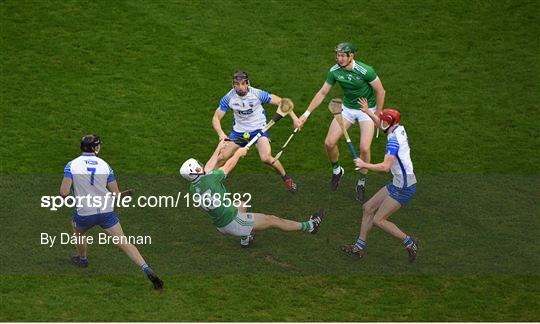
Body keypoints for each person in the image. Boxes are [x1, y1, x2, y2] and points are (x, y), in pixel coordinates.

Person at [60, 135, 164, 290]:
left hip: (84, 212)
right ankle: (146, 268)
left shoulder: (71, 165)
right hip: (106, 211)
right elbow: (116, 195)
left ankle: (82, 259)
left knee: (78, 233)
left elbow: (64, 192)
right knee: (123, 241)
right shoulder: (105, 166)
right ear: (95, 148)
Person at [295, 42, 386, 203]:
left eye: (343, 55)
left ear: (352, 56)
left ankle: (361, 182)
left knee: (364, 148)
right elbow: (323, 92)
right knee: (329, 143)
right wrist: (306, 114)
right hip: (347, 108)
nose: (340, 58)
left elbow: (380, 91)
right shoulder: (334, 71)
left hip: (367, 109)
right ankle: (337, 170)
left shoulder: (366, 70)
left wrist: (376, 116)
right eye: (338, 55)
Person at [180, 147, 325, 247]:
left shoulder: (193, 188)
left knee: (241, 204)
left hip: (220, 225)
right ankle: (310, 226)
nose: (201, 165)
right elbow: (228, 166)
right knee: (273, 220)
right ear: (195, 172)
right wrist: (238, 153)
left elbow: (208, 170)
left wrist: (219, 147)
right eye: (198, 167)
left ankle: (246, 239)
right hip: (233, 222)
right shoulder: (210, 179)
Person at [341, 98, 418, 262]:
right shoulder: (398, 129)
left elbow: (385, 168)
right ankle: (359, 247)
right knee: (368, 207)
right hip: (400, 182)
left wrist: (364, 164)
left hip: (404, 188)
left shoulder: (393, 142)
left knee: (379, 220)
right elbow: (383, 126)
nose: (380, 123)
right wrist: (368, 111)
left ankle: (410, 242)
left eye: (383, 121)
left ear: (389, 124)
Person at [205, 71, 299, 193]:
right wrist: (221, 134)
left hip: (259, 129)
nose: (240, 87)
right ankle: (208, 183)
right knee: (222, 157)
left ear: (247, 83)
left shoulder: (258, 94)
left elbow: (283, 102)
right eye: (237, 84)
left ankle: (286, 178)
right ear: (233, 85)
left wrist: (295, 119)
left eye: (243, 83)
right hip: (239, 132)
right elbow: (216, 118)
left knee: (266, 158)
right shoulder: (228, 98)